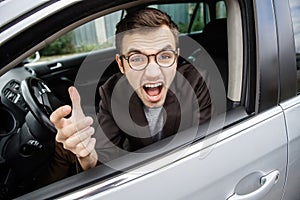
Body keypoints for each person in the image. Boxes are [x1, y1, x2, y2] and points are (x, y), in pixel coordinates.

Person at [44, 8, 211, 184]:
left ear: (176, 59)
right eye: (137, 58)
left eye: (164, 56)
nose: (153, 73)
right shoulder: (111, 92)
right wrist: (87, 155)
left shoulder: (198, 82)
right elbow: (103, 159)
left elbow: (204, 151)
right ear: (121, 65)